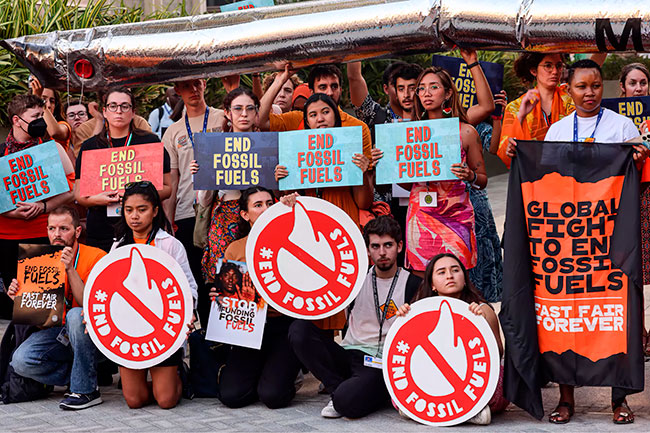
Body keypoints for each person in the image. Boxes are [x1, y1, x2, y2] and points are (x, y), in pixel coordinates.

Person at [542, 59, 648, 424]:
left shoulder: (623, 126)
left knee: (616, 314)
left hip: (613, 236)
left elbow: (635, 171)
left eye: (596, 86)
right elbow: (545, 182)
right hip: (570, 241)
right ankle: (566, 398)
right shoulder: (556, 130)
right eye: (582, 87)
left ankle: (619, 399)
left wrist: (637, 156)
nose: (590, 93)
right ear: (567, 90)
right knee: (569, 315)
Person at [288, 215, 421, 419]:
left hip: (381, 362)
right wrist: (295, 209)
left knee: (346, 403)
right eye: (375, 246)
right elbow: (310, 256)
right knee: (299, 329)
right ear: (367, 250)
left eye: (388, 245)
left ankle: (353, 393)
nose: (382, 252)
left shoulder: (413, 284)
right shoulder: (353, 278)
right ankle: (337, 387)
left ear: (400, 246)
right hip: (348, 353)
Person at [7, 206, 106, 409]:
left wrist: (70, 268)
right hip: (59, 334)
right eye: (52, 229)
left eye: (64, 229)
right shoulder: (40, 259)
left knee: (76, 316)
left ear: (78, 232)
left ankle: (87, 391)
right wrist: (19, 298)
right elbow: (43, 322)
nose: (57, 235)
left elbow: (91, 306)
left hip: (93, 334)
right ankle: (81, 375)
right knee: (20, 360)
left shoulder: (97, 257)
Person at [111, 181, 197, 409]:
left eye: (142, 209)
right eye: (129, 210)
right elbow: (107, 291)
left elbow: (189, 287)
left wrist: (188, 316)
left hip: (163, 332)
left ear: (155, 211)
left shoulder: (171, 245)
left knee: (166, 401)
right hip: (130, 332)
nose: (134, 216)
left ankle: (180, 374)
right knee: (134, 401)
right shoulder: (118, 248)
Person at [395, 253, 508, 425]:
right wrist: (403, 318)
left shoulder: (482, 309)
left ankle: (465, 410)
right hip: (434, 376)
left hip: (471, 377)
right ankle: (470, 411)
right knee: (397, 396)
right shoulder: (420, 312)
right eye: (441, 272)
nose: (449, 275)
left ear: (464, 278)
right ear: (432, 284)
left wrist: (480, 324)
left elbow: (498, 354)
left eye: (455, 270)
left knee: (503, 388)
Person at [394, 66, 486, 275]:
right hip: (421, 219)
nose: (426, 93)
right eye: (422, 88)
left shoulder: (465, 132)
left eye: (433, 87)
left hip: (457, 218)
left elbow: (482, 180)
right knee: (422, 285)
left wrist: (470, 176)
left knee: (458, 284)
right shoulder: (409, 135)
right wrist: (389, 166)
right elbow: (407, 185)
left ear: (448, 93)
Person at [216, 186, 302, 409]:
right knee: (231, 396)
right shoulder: (235, 249)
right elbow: (231, 300)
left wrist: (298, 208)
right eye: (258, 205)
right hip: (251, 329)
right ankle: (267, 373)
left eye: (269, 203)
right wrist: (221, 296)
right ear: (245, 215)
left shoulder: (294, 238)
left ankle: (285, 374)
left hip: (284, 325)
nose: (266, 209)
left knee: (273, 397)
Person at [0, 94, 75, 319]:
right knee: (13, 305)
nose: (40, 121)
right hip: (6, 239)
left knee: (40, 309)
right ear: (16, 120)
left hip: (43, 236)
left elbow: (71, 190)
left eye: (42, 115)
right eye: (35, 117)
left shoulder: (53, 149)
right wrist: (12, 213)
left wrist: (43, 206)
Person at [74, 87, 172, 252]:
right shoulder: (90, 146)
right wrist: (96, 200)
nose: (118, 111)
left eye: (124, 106)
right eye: (113, 106)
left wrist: (135, 196)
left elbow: (168, 188)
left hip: (142, 231)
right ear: (104, 112)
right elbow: (79, 194)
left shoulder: (150, 142)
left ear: (133, 112)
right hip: (101, 230)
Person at [162, 78, 225, 327]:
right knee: (199, 278)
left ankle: (232, 339)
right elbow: (173, 180)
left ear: (205, 84)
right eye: (187, 86)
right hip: (188, 213)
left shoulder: (224, 118)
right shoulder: (173, 132)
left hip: (224, 208)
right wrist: (168, 221)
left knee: (226, 274)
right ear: (178, 90)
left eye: (198, 84)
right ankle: (208, 339)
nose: (194, 90)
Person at [192, 87, 259, 305]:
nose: (244, 114)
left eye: (250, 109)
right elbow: (204, 201)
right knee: (228, 285)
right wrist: (203, 175)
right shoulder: (213, 147)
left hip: (258, 220)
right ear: (227, 113)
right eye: (238, 109)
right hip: (224, 222)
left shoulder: (268, 145)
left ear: (257, 112)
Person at [618, 63, 650, 357]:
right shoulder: (614, 122)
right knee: (633, 269)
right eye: (633, 83)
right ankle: (637, 331)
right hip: (625, 198)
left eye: (643, 83)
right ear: (622, 89)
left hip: (649, 195)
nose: (638, 88)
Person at [498, 53, 573, 168]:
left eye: (558, 66)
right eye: (548, 66)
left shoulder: (571, 102)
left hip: (566, 173)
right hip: (531, 176)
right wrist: (521, 116)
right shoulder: (515, 107)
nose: (555, 71)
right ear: (534, 71)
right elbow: (505, 154)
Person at [470, 90, 508, 302]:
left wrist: (497, 118)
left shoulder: (477, 127)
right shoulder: (429, 123)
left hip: (475, 207)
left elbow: (493, 147)